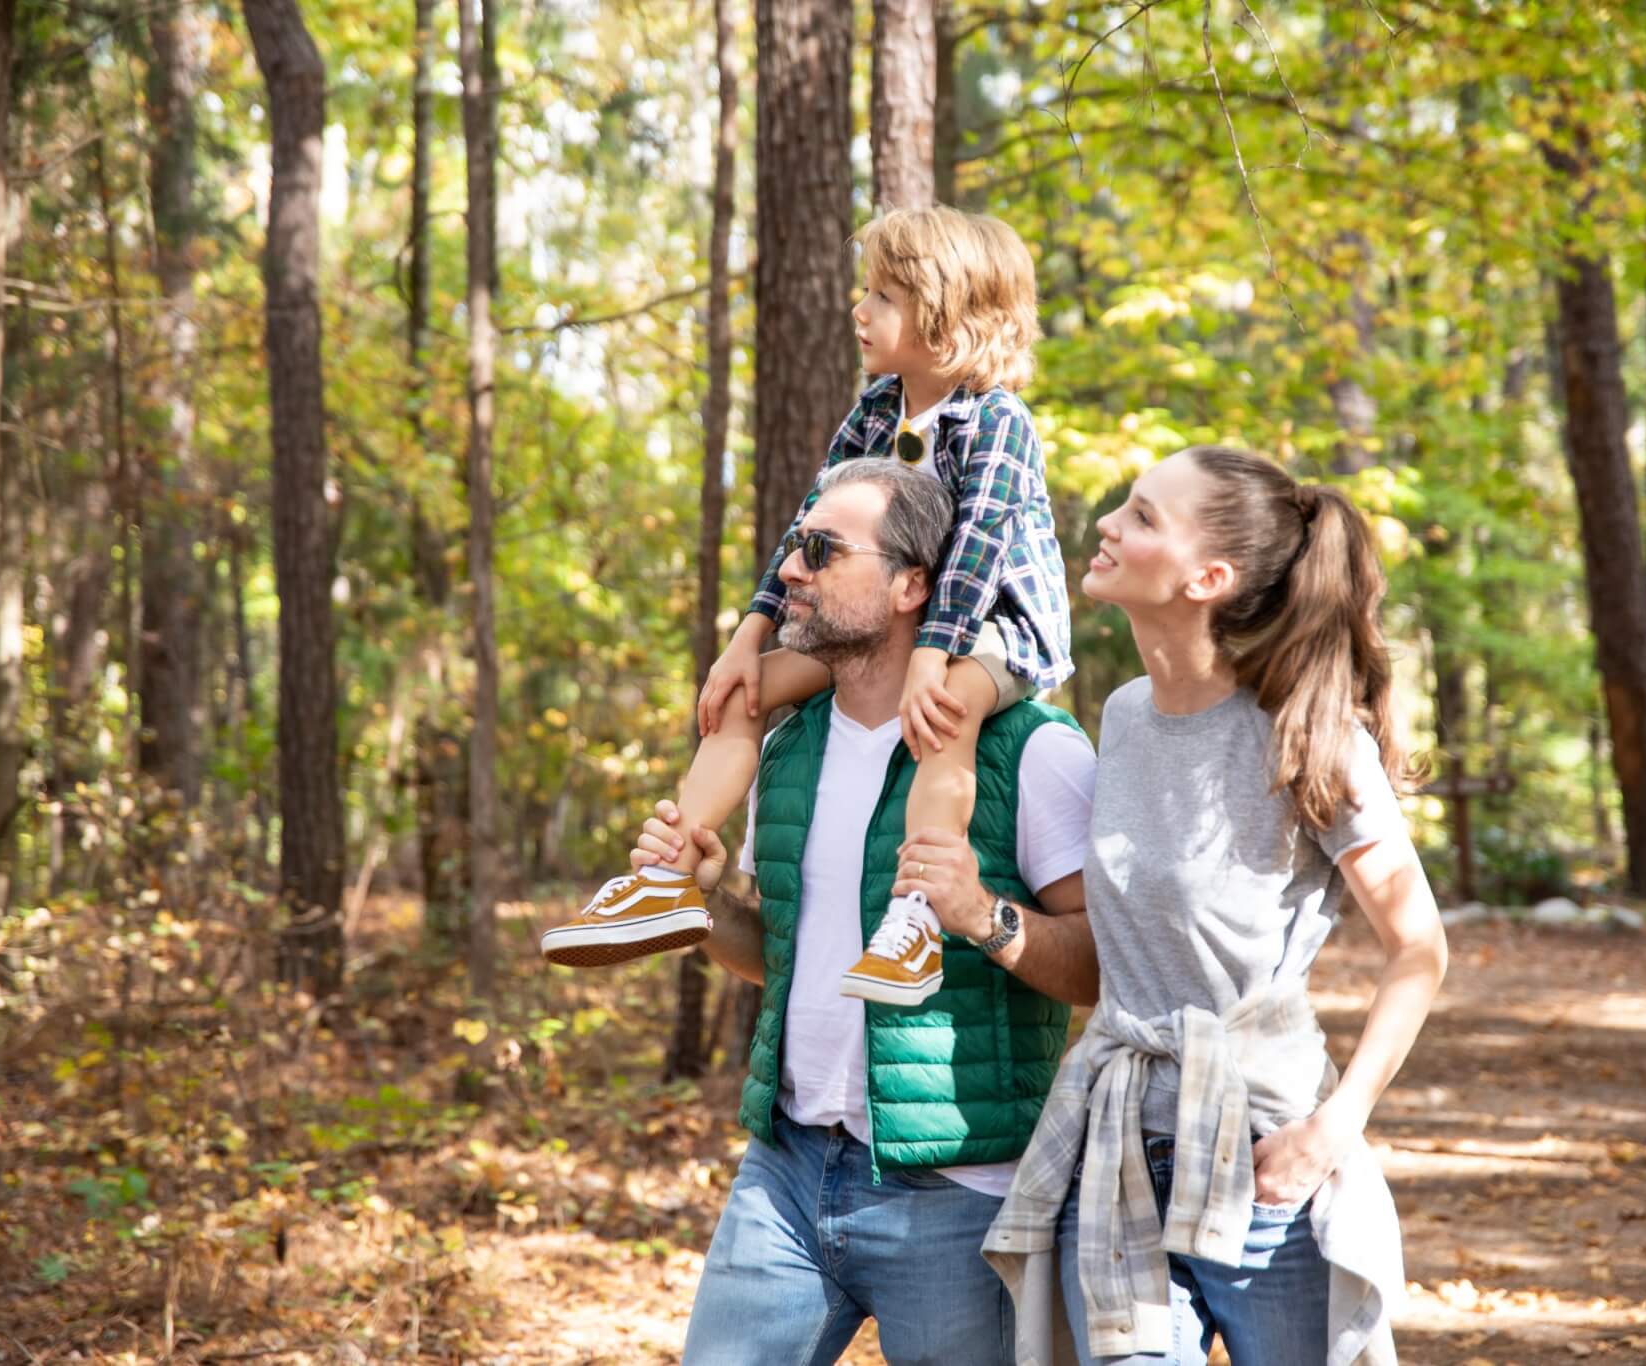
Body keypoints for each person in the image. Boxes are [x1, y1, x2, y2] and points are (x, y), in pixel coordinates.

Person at [984, 447, 1449, 1366]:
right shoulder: (1118, 716)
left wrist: (1335, 1127)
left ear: (1210, 578)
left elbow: (1419, 951)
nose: (1109, 525)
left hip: (1264, 1155)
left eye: (1145, 516)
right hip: (1115, 1148)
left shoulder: (1309, 736)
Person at [541, 206, 1075, 1007]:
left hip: (997, 626)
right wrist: (746, 638)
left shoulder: (997, 421)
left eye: (884, 298)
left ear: (947, 314)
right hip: (892, 626)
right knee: (744, 694)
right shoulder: (874, 410)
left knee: (944, 719)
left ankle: (916, 917)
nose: (860, 311)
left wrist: (931, 657)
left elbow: (976, 553)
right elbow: (807, 527)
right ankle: (665, 875)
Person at [629, 460, 1100, 1366]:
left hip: (962, 1191)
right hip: (787, 1169)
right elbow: (788, 955)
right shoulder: (788, 745)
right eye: (791, 549)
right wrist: (699, 899)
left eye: (819, 550)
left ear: (910, 584)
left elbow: (1099, 969)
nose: (789, 573)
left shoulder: (1031, 751)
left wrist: (981, 917)